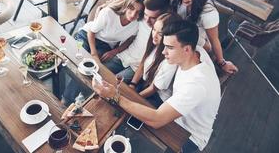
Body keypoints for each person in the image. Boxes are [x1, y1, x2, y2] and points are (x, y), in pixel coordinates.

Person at [93, 19, 221, 153]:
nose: (163, 52)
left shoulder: (196, 84)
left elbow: (157, 119)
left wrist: (115, 96)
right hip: (174, 117)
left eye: (170, 48)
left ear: (187, 49)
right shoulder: (196, 52)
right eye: (164, 46)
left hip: (189, 137)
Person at [172, 0, 238, 74]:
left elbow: (214, 41)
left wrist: (222, 63)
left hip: (198, 43)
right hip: (180, 36)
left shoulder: (209, 13)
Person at [104, 0, 170, 83]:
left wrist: (134, 83)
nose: (147, 20)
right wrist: (104, 7)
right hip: (124, 55)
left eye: (153, 18)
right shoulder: (139, 17)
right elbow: (126, 4)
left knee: (113, 83)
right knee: (99, 71)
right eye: (146, 14)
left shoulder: (164, 32)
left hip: (137, 68)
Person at [74, 0, 149, 62]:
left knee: (94, 65)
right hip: (87, 36)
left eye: (138, 12)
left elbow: (130, 40)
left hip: (105, 46)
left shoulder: (138, 23)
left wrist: (115, 51)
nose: (133, 15)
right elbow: (91, 31)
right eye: (131, 8)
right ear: (126, 4)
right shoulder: (109, 13)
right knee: (79, 57)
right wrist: (94, 54)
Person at [129, 13, 178, 108]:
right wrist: (132, 84)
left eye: (160, 34)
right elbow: (142, 63)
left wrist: (133, 98)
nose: (154, 35)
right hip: (145, 83)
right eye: (154, 30)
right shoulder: (155, 44)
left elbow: (153, 89)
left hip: (157, 97)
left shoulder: (170, 60)